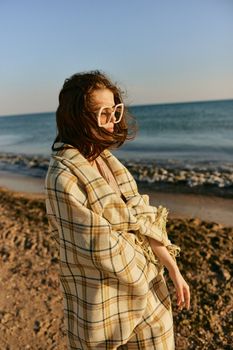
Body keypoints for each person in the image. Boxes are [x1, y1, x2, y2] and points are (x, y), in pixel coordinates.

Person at [45, 70, 190, 349]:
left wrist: (172, 267)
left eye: (116, 110)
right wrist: (150, 267)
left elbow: (141, 218)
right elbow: (99, 247)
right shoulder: (62, 177)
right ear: (77, 118)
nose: (113, 121)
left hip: (149, 292)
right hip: (104, 304)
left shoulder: (108, 161)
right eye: (104, 113)